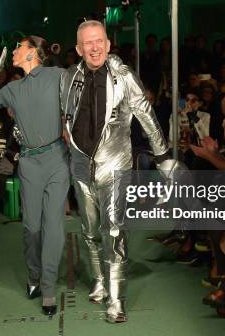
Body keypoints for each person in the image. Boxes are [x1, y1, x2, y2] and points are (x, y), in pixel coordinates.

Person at [60, 20, 170, 323]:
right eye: (88, 43)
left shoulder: (123, 77)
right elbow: (63, 115)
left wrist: (163, 156)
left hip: (115, 164)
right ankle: (98, 279)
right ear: (80, 49)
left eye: (100, 41)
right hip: (80, 164)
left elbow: (146, 115)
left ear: (108, 44)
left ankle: (116, 300)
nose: (94, 47)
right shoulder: (68, 77)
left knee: (114, 230)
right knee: (89, 231)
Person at [0, 37, 69, 316]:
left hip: (58, 159)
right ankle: (34, 276)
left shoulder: (58, 75)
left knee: (54, 228)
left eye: (18, 47)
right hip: (30, 163)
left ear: (32, 52)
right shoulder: (12, 88)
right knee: (32, 228)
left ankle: (48, 287)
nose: (12, 51)